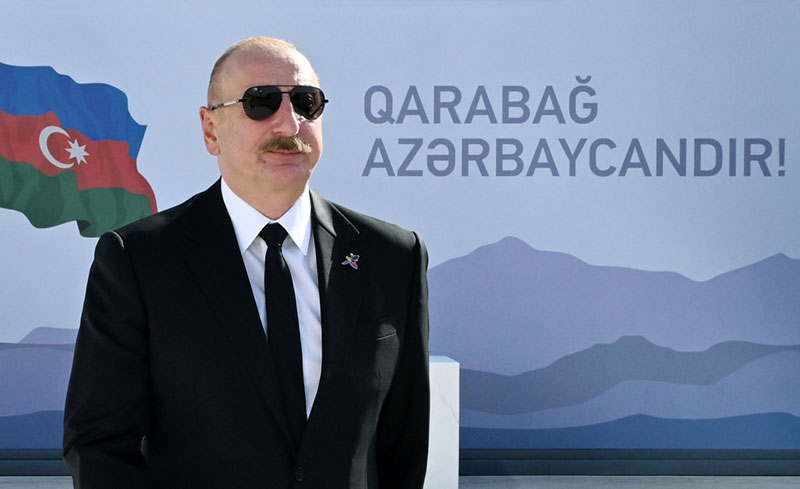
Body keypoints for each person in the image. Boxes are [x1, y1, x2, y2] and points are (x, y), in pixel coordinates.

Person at [63, 37, 430, 489]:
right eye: (260, 102)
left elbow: (403, 445)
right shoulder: (139, 261)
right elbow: (99, 445)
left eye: (306, 102)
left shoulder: (391, 257)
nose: (289, 122)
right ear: (210, 130)